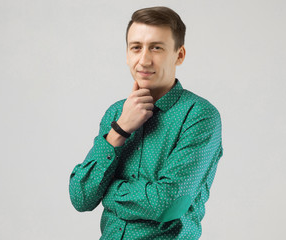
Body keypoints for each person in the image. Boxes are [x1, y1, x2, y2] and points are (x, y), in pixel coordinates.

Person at [69, 6, 223, 239]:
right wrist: (119, 130)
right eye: (136, 48)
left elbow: (167, 203)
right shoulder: (116, 113)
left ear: (179, 55)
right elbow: (81, 196)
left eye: (156, 48)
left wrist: (108, 191)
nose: (144, 60)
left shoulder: (199, 115)